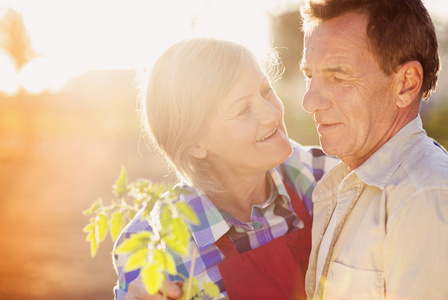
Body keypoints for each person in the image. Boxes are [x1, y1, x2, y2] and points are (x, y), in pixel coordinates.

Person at [113, 38, 338, 300]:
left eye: (266, 92)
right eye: (243, 110)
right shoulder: (154, 245)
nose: (272, 115)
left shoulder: (323, 175)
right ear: (196, 143)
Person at [299, 0, 448, 299]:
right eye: (309, 76)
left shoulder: (424, 196)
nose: (309, 102)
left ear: (406, 84)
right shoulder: (345, 178)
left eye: (338, 77)